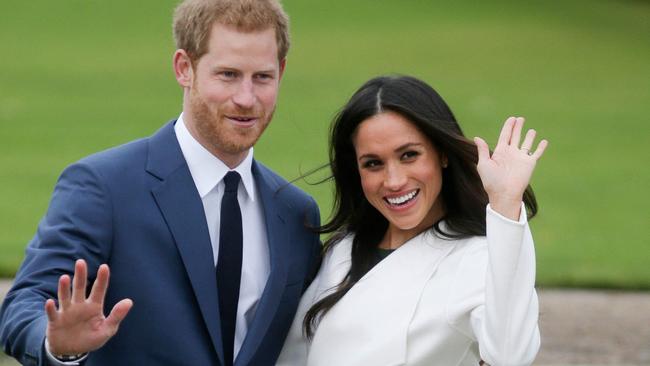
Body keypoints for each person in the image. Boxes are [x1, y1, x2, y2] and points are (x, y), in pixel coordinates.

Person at [0, 0, 322, 365]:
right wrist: (58, 344)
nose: (246, 98)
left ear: (281, 71)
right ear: (184, 68)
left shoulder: (297, 214)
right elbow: (23, 303)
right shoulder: (103, 187)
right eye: (228, 74)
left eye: (262, 77)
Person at [277, 75, 547, 366]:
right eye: (373, 163)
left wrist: (505, 204)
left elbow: (511, 355)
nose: (394, 181)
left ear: (441, 153)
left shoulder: (477, 258)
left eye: (409, 155)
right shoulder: (343, 249)